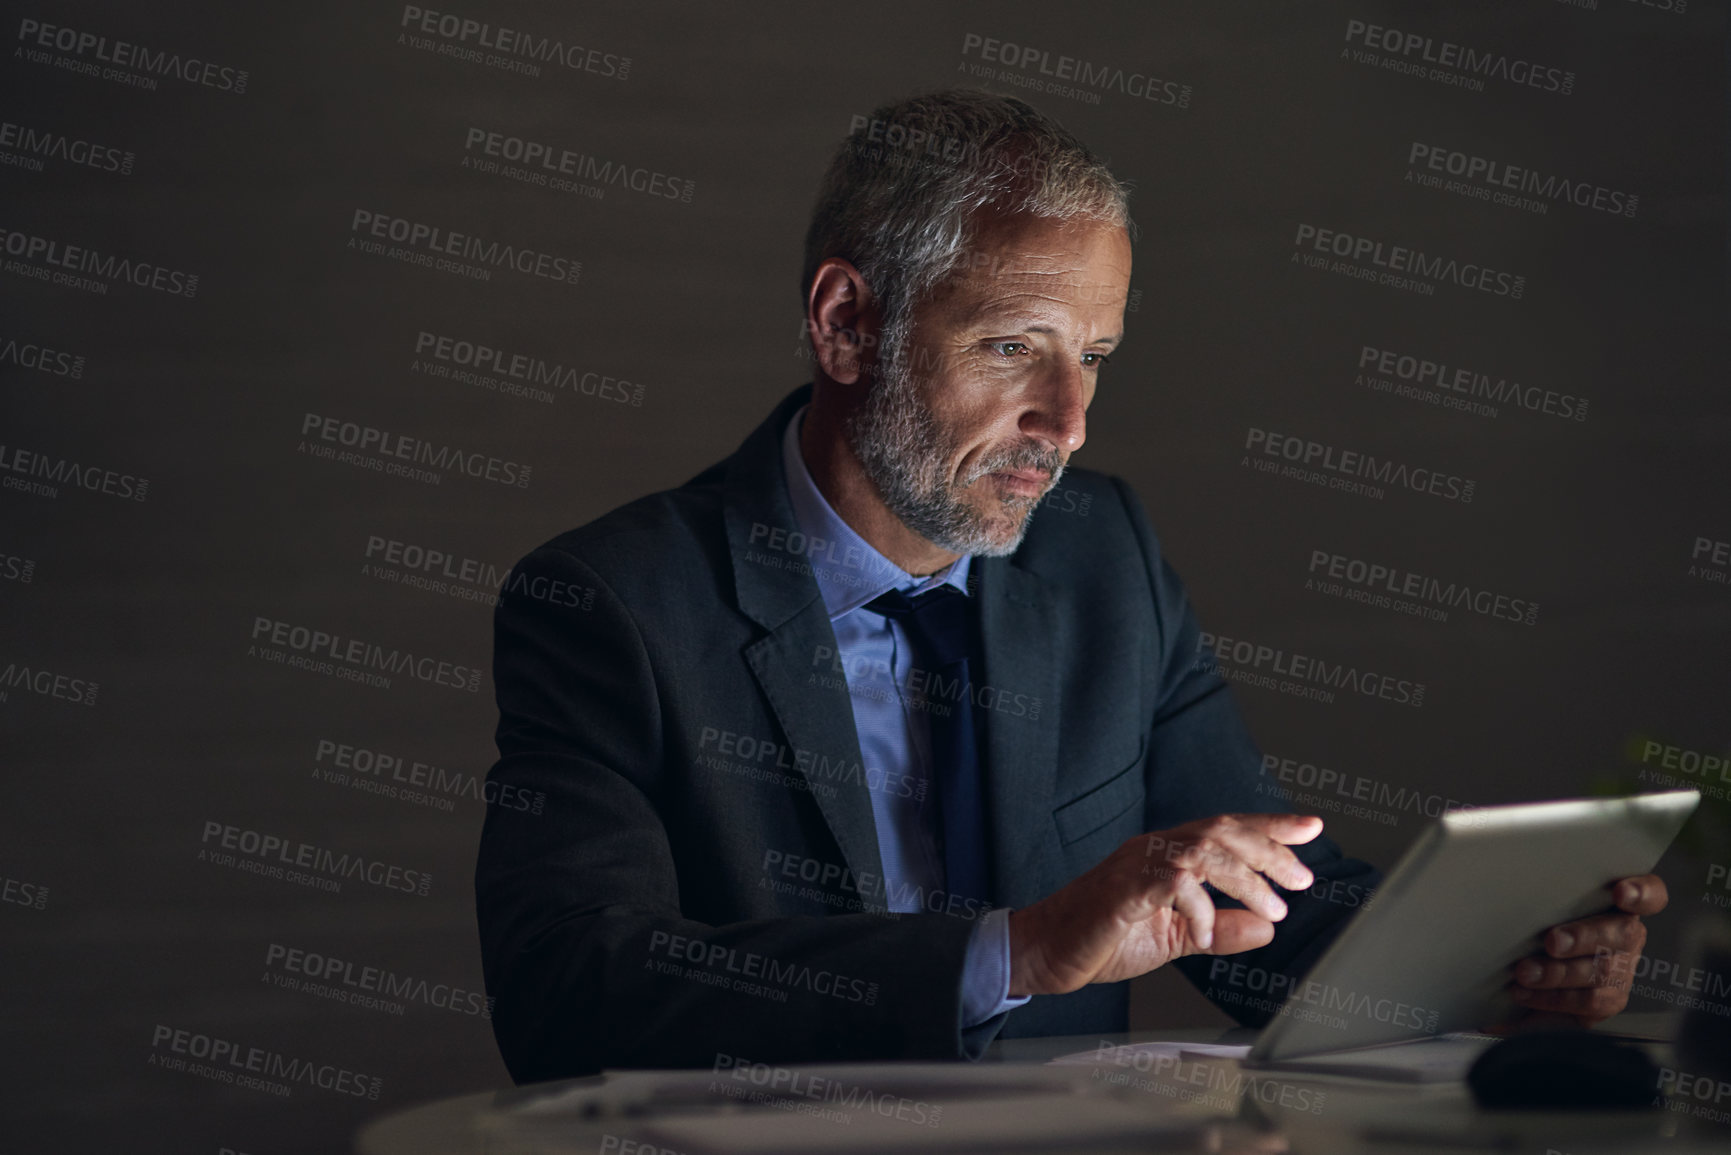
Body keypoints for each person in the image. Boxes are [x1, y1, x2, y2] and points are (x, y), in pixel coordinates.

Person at [474, 89, 1665, 1084]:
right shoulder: (609, 604)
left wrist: (1503, 968)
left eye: (1093, 356)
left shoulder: (1104, 556)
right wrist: (1017, 954)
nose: (1071, 423)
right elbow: (572, 1001)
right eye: (1012, 347)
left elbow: (1261, 923)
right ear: (846, 325)